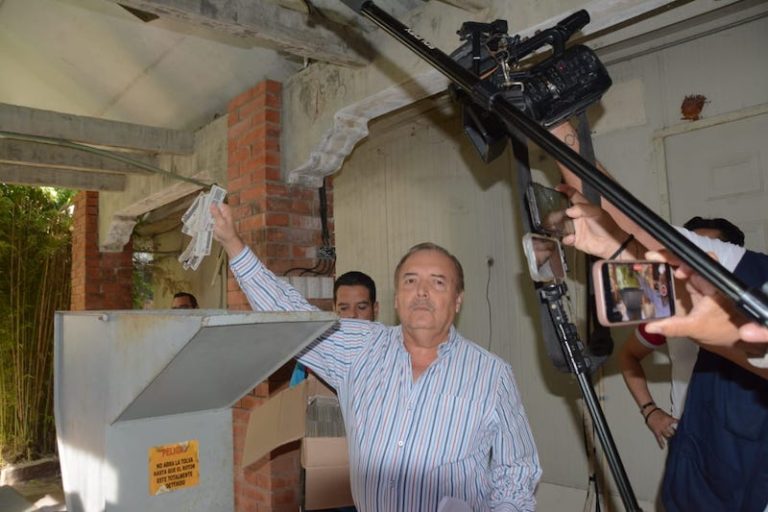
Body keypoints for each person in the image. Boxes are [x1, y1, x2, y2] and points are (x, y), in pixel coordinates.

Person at [211, 203, 541, 511]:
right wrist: (233, 244)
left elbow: (516, 473)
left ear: (457, 300)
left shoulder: (491, 374)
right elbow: (292, 316)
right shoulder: (360, 349)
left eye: (438, 283)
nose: (422, 291)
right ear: (397, 299)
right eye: (410, 281)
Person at [547, 132, 768, 510]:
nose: (688, 273)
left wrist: (726, 334)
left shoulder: (747, 284)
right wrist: (616, 246)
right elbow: (645, 237)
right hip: (695, 470)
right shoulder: (741, 273)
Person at [618, 217, 746, 450]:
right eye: (689, 253)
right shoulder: (669, 308)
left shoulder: (753, 311)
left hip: (748, 442)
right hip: (691, 439)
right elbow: (628, 356)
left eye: (707, 253)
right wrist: (650, 411)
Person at [290, 271, 379, 386]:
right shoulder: (314, 355)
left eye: (361, 307)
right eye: (344, 308)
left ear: (375, 309)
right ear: (334, 308)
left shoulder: (389, 352)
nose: (352, 315)